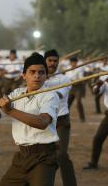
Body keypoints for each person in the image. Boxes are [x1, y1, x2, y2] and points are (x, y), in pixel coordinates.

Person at [0, 52, 59, 186]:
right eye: (32, 72)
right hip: (22, 156)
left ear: (46, 76)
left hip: (43, 157)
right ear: (24, 75)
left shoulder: (50, 96)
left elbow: (42, 122)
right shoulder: (17, 94)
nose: (37, 76)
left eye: (41, 72)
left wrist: (10, 110)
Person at [44, 49, 77, 186]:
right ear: (44, 61)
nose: (52, 63)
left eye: (55, 61)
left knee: (62, 155)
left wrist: (43, 84)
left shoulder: (64, 79)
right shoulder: (37, 78)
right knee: (44, 157)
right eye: (50, 60)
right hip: (44, 121)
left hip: (61, 121)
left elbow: (57, 96)